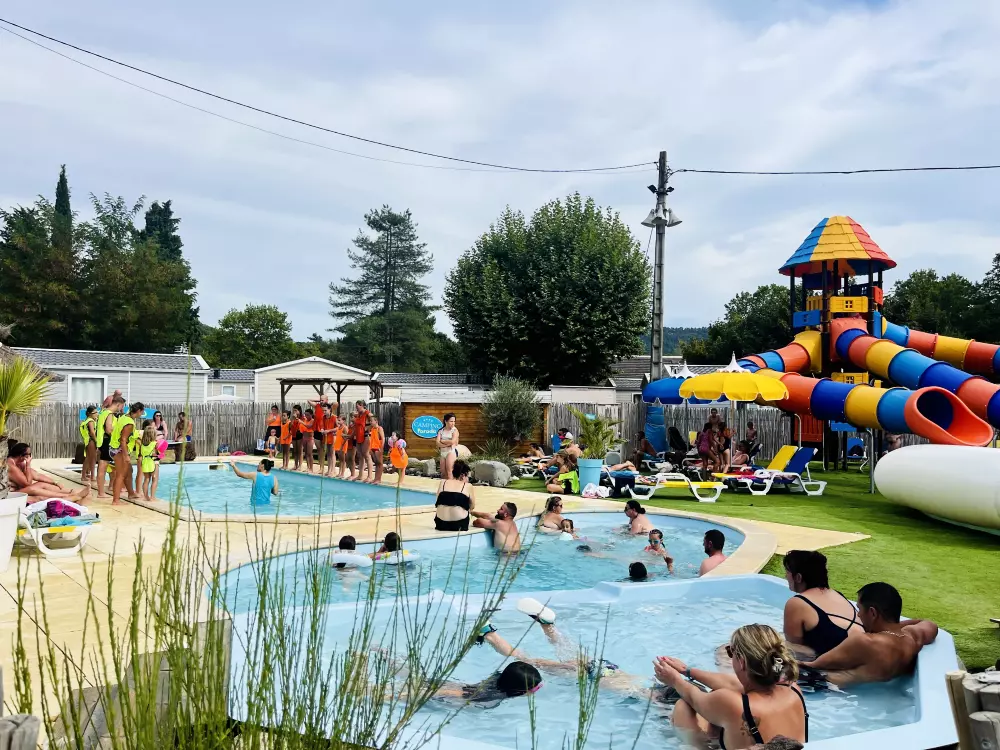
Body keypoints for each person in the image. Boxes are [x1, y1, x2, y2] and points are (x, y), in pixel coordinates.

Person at [655, 623, 808, 750]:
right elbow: (732, 683)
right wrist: (686, 671)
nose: (730, 656)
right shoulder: (792, 688)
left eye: (730, 652)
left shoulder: (731, 702)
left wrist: (674, 680)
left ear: (742, 662)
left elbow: (693, 697)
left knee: (683, 706)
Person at [800, 582, 939, 686]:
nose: (859, 615)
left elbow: (813, 665)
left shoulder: (865, 641)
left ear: (872, 613)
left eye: (860, 609)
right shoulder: (912, 638)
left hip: (825, 686)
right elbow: (929, 624)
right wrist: (895, 627)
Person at [781, 550, 864, 658]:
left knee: (777, 646)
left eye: (787, 572)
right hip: (861, 654)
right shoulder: (836, 594)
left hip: (834, 662)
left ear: (798, 577)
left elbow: (794, 650)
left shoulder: (796, 603)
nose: (785, 576)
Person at [7, 442, 90, 501]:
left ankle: (71, 491)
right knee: (34, 490)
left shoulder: (20, 463)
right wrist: (28, 465)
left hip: (20, 491)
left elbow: (37, 475)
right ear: (21, 455)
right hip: (10, 494)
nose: (30, 457)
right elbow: (27, 483)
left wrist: (55, 482)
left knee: (41, 484)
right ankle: (69, 496)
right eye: (29, 454)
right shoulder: (10, 465)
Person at [111, 402, 144, 505]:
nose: (141, 414)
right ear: (139, 411)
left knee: (129, 471)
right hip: (119, 450)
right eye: (142, 412)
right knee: (120, 475)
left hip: (115, 447)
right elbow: (123, 440)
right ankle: (116, 500)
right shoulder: (129, 423)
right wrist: (126, 455)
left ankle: (131, 493)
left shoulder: (125, 416)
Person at [433, 459, 476, 531]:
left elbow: (438, 500)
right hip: (459, 524)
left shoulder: (443, 483)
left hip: (440, 524)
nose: (468, 479)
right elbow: (472, 506)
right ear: (463, 475)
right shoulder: (467, 486)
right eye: (468, 477)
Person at [95, 396, 123, 498]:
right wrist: (117, 438)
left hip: (101, 442)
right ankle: (101, 493)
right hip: (107, 441)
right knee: (103, 468)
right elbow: (108, 429)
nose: (121, 409)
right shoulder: (109, 414)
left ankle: (101, 491)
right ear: (118, 404)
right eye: (121, 406)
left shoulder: (103, 412)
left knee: (101, 467)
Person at [348, 400, 372, 482]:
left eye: (357, 406)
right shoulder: (358, 415)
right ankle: (360, 475)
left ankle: (369, 476)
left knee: (366, 455)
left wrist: (368, 429)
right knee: (360, 456)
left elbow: (375, 421)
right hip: (358, 436)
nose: (356, 408)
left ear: (362, 405)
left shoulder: (367, 414)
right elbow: (356, 428)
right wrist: (351, 436)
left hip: (366, 436)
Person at [436, 412, 459, 481]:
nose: (453, 423)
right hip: (443, 452)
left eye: (454, 421)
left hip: (450, 452)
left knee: (450, 472)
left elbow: (453, 442)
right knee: (443, 472)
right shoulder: (441, 431)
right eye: (451, 421)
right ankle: (444, 486)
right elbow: (437, 443)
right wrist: (446, 444)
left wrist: (442, 441)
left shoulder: (454, 430)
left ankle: (451, 486)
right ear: (446, 421)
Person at [79, 405, 98, 490]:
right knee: (92, 459)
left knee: (88, 458)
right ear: (90, 414)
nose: (97, 414)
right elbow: (92, 432)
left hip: (87, 441)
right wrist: (96, 441)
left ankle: (84, 475)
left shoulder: (86, 420)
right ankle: (92, 476)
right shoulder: (90, 421)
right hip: (91, 441)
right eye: (95, 412)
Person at [139, 424, 159, 502]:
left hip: (145, 462)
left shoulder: (142, 445)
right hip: (153, 462)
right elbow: (158, 454)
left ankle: (146, 497)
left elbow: (141, 454)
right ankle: (152, 497)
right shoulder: (155, 443)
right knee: (154, 479)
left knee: (146, 479)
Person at [308, 397, 327, 475]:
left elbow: (336, 403)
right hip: (316, 429)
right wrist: (319, 400)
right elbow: (309, 400)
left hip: (323, 429)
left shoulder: (327, 407)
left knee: (323, 450)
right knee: (319, 450)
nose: (321, 401)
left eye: (323, 400)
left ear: (326, 400)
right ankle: (321, 468)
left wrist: (325, 402)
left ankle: (325, 468)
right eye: (320, 399)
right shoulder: (317, 406)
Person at [369, 413, 386, 485]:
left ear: (376, 421)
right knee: (376, 463)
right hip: (373, 447)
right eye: (370, 421)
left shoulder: (380, 428)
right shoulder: (372, 429)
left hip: (378, 447)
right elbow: (371, 439)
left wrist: (381, 448)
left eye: (371, 421)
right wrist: (370, 449)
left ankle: (379, 479)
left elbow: (383, 438)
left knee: (379, 463)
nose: (370, 422)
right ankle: (375, 478)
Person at [298, 408, 315, 473]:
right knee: (306, 454)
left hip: (310, 438)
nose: (306, 416)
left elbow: (309, 426)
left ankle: (311, 468)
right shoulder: (305, 420)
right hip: (304, 438)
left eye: (308, 415)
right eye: (305, 415)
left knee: (310, 453)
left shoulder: (313, 420)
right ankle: (308, 467)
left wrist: (302, 422)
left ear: (311, 415)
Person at [290, 405, 303, 471]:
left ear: (299, 411)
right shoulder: (292, 418)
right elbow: (290, 426)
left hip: (300, 434)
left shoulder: (302, 417)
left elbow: (302, 425)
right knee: (295, 451)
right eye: (293, 410)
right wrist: (292, 419)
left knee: (300, 451)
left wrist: (297, 419)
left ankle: (300, 466)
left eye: (295, 410)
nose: (294, 412)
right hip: (294, 434)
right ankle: (295, 465)